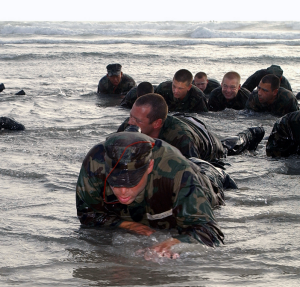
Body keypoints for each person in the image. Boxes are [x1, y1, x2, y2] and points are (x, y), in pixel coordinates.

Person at [75, 131, 229, 259]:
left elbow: (210, 233)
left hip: (207, 178)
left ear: (149, 166)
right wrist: (127, 225)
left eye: (131, 182)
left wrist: (174, 243)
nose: (122, 191)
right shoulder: (95, 162)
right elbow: (87, 213)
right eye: (115, 182)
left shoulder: (177, 172)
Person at [117, 94, 264, 164]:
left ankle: (252, 133)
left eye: (137, 120)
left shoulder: (181, 139)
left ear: (156, 124)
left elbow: (195, 173)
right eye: (131, 116)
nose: (130, 122)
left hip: (207, 141)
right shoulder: (130, 125)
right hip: (182, 119)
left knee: (230, 147)